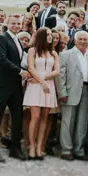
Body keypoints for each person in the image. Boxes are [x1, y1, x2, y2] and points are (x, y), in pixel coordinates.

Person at [0, 14, 32, 163]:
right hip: (2, 84)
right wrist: (20, 72)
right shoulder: (1, 38)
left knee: (17, 117)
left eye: (19, 23)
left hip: (16, 85)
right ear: (7, 23)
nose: (16, 25)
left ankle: (14, 148)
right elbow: (1, 60)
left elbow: (20, 61)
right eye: (13, 23)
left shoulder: (18, 40)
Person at [55, 30, 88, 162]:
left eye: (85, 39)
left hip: (87, 91)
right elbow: (60, 76)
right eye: (80, 39)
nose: (83, 41)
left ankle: (79, 149)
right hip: (70, 91)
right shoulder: (65, 55)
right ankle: (66, 150)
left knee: (82, 122)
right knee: (68, 121)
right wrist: (62, 93)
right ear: (75, 40)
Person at [23, 27, 59, 160]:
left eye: (51, 35)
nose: (50, 37)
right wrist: (41, 82)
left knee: (45, 118)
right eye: (48, 34)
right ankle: (31, 147)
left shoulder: (53, 53)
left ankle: (39, 147)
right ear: (41, 36)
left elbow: (57, 71)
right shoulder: (32, 50)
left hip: (47, 86)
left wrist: (42, 80)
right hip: (35, 87)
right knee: (35, 117)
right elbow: (31, 68)